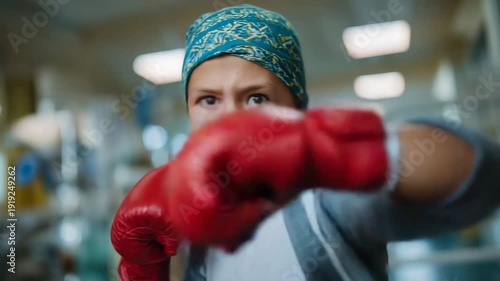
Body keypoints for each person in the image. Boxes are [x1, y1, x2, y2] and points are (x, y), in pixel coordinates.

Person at [110, 4, 500, 281]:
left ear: (295, 110)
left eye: (256, 97)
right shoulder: (185, 215)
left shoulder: (324, 198)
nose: (229, 119)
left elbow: (483, 178)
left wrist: (330, 155)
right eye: (208, 100)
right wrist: (147, 270)